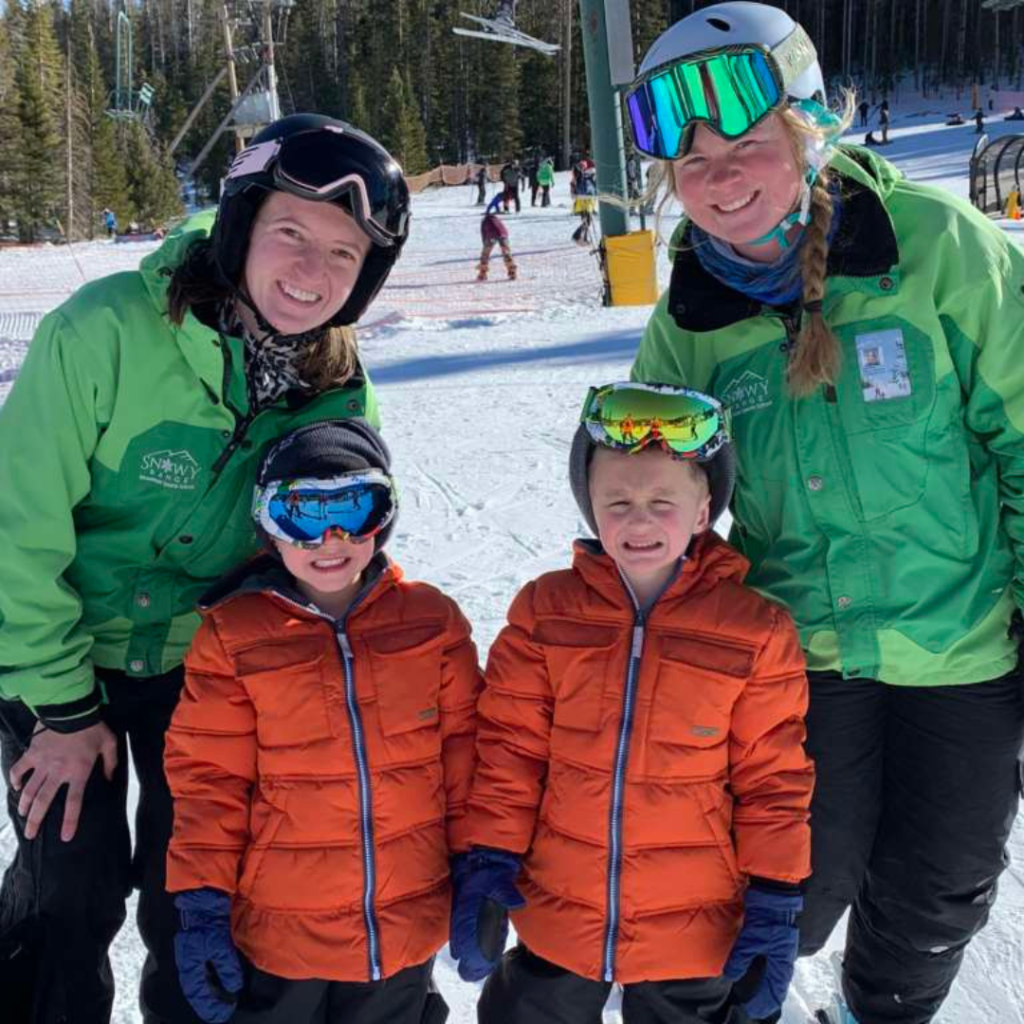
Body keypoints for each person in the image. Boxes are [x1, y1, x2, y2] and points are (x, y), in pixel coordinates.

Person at [624, 4, 1024, 1023]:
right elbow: (653, 501)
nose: (721, 180)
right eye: (693, 161)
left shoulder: (938, 248)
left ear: (812, 132)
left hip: (961, 645)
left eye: (748, 147)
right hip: (797, 657)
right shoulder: (692, 321)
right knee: (780, 891)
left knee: (939, 891)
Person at [0, 112, 410, 1024]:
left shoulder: (335, 388)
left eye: (343, 254)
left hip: (206, 666)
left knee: (196, 884)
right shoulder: (106, 330)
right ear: (240, 227)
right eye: (291, 232)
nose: (311, 270)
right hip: (60, 646)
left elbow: (335, 553)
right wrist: (61, 714)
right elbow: (16, 528)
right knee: (70, 879)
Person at [449, 382, 813, 1024]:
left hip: (694, 924)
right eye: (617, 502)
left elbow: (772, 779)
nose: (638, 520)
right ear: (590, 506)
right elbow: (510, 750)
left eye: (661, 502)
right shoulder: (547, 611)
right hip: (559, 906)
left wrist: (775, 894)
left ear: (702, 511)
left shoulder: (754, 631)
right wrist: (490, 855)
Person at [164, 418, 481, 1024]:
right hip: (283, 934)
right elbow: (210, 782)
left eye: (356, 509)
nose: (331, 539)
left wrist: (478, 866)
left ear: (383, 517)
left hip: (404, 925)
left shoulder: (430, 622)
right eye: (302, 515)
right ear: (268, 528)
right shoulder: (234, 638)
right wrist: (203, 902)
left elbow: (469, 759)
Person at [478, 193, 517, 281]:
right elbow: (504, 229)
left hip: (492, 235)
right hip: (503, 234)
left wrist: (485, 246)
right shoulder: (497, 219)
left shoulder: (484, 222)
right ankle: (512, 271)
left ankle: (482, 273)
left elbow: (484, 236)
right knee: (506, 252)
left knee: (485, 254)